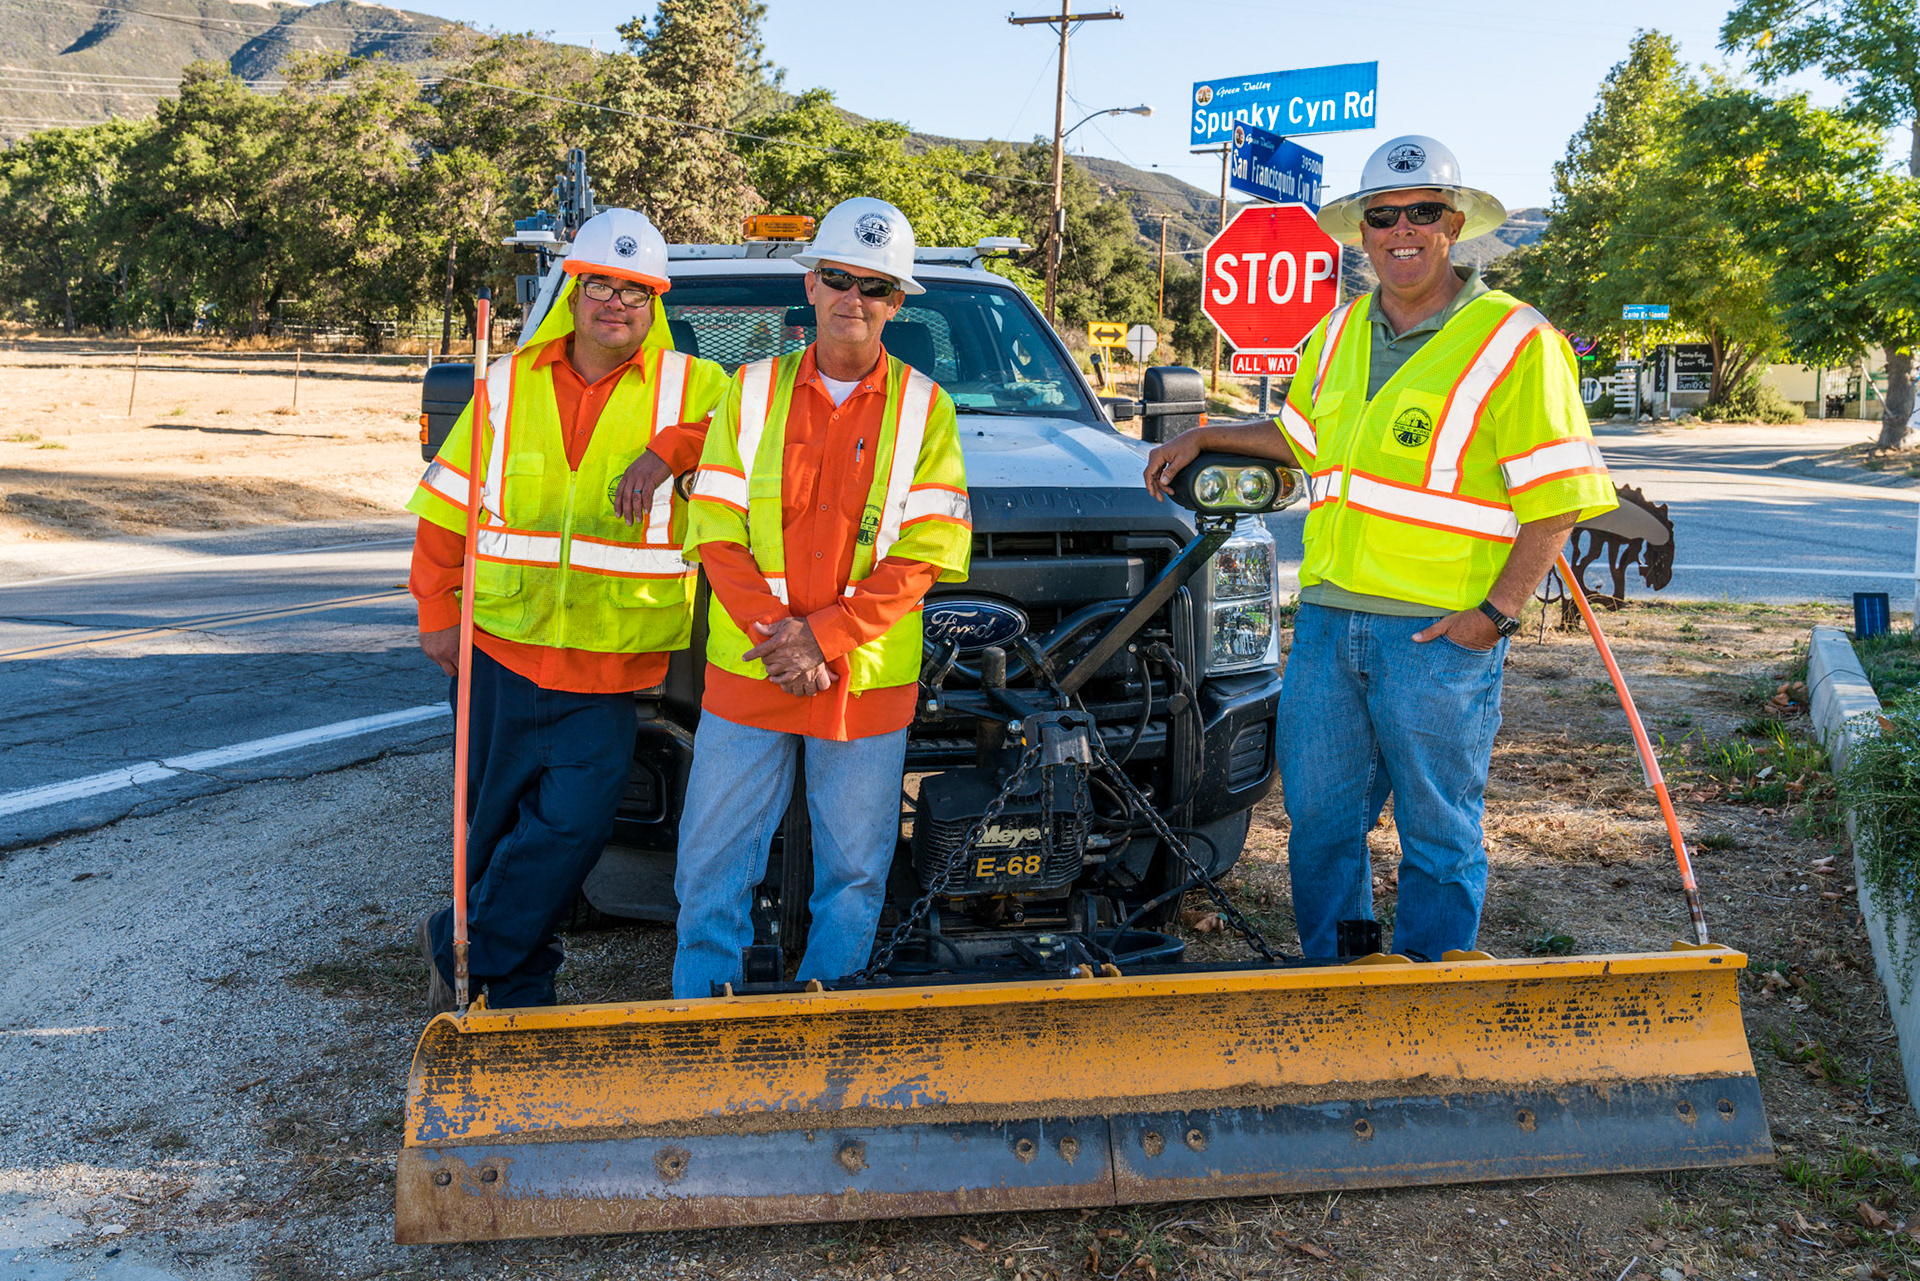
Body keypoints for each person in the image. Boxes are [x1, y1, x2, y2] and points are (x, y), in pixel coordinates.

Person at [1144, 136, 1617, 962]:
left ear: (1455, 223)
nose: (1403, 230)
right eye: (1384, 216)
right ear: (1362, 231)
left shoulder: (1515, 340)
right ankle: (1344, 978)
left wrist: (1495, 616)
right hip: (1329, 624)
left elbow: (1559, 501)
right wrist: (1213, 433)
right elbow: (1301, 438)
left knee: (1438, 833)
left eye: (1423, 212)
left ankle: (1429, 1002)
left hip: (1439, 634)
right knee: (1323, 828)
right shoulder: (1332, 337)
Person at [408, 208, 731, 1011]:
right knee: (490, 834)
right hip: (500, 652)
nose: (614, 302)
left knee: (570, 833)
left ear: (654, 302)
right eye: (600, 285)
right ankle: (518, 989)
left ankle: (467, 943)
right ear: (575, 292)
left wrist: (670, 451)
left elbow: (751, 428)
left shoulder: (695, 387)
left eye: (634, 289)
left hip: (609, 669)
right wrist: (435, 612)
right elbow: (448, 507)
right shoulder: (508, 384)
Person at [671, 197, 972, 998]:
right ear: (811, 286)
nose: (854, 298)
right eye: (838, 276)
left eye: (875, 286)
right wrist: (783, 636)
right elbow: (716, 531)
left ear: (896, 304)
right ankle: (699, 1031)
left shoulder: (926, 408)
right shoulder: (751, 390)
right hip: (751, 674)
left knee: (855, 878)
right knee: (710, 873)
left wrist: (825, 637)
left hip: (862, 684)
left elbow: (925, 552)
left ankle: (822, 1033)